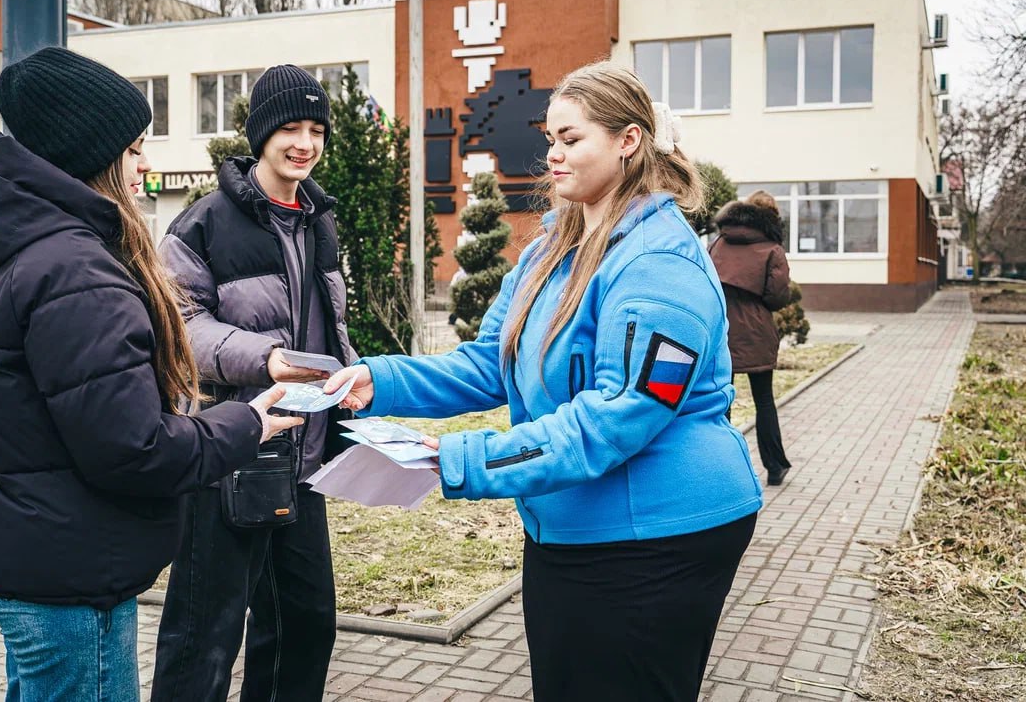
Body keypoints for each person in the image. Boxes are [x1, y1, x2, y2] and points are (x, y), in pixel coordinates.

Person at [325, 61, 763, 702]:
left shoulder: (660, 266)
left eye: (571, 138)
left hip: (659, 535)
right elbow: (486, 363)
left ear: (628, 141)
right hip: (570, 519)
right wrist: (375, 380)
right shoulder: (552, 248)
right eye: (550, 138)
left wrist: (459, 458)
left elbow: (616, 418)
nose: (553, 155)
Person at [0, 47, 300, 702]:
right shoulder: (78, 272)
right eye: (134, 149)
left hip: (25, 553)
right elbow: (134, 447)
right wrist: (248, 421)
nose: (146, 163)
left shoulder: (20, 249)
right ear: (93, 158)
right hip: (67, 571)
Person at [152, 64, 357, 702]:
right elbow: (179, 328)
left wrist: (348, 375)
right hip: (229, 452)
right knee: (204, 637)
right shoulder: (203, 223)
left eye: (316, 129)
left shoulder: (320, 219)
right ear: (261, 134)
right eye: (290, 128)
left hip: (304, 458)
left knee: (306, 624)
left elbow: (330, 326)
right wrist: (263, 359)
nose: (305, 142)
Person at [709, 191, 794, 486]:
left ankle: (721, 468)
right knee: (764, 401)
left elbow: (705, 281)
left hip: (722, 332)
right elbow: (778, 297)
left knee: (722, 401)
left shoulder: (719, 242)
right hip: (757, 333)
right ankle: (774, 467)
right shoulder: (772, 249)